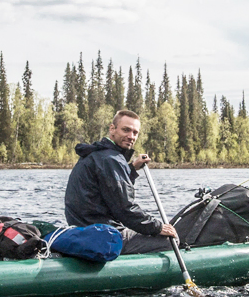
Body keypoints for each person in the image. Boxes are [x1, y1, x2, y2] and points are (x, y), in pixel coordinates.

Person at [64, 109, 177, 254]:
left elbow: (110, 190)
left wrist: (133, 168)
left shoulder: (97, 153)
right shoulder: (111, 159)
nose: (131, 136)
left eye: (135, 133)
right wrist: (157, 227)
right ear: (112, 129)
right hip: (103, 234)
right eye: (126, 130)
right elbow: (125, 209)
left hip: (85, 229)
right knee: (171, 241)